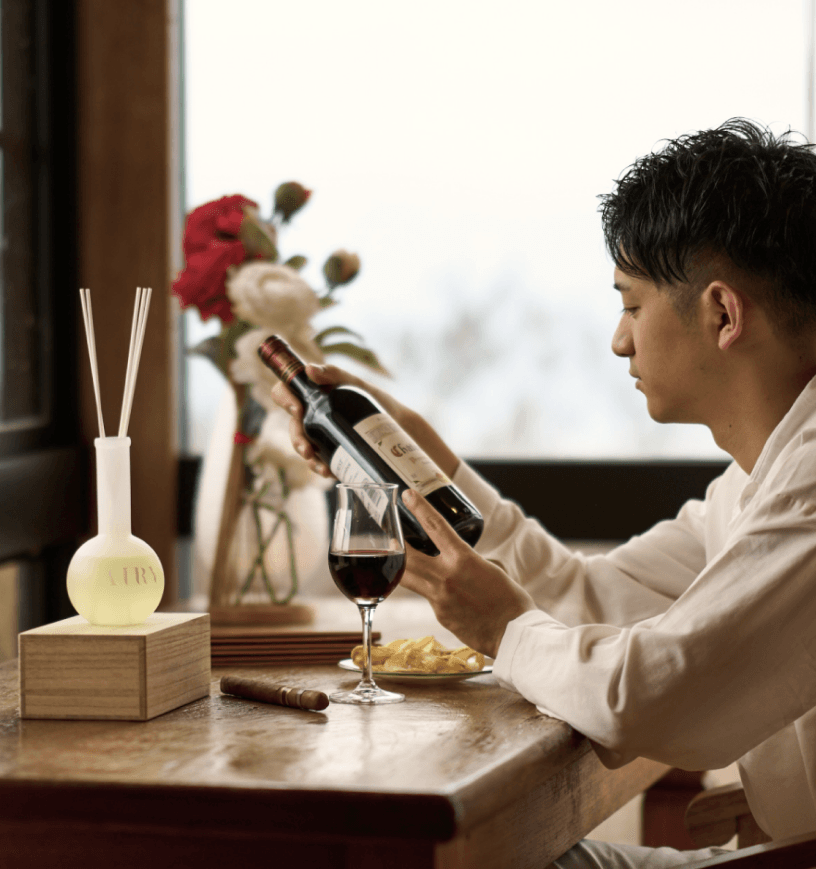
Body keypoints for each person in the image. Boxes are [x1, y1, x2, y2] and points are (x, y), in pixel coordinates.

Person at [271, 118, 816, 869]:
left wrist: (503, 630)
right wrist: (428, 465)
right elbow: (589, 597)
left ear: (723, 313)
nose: (619, 341)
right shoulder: (757, 483)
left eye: (632, 305)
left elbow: (648, 699)